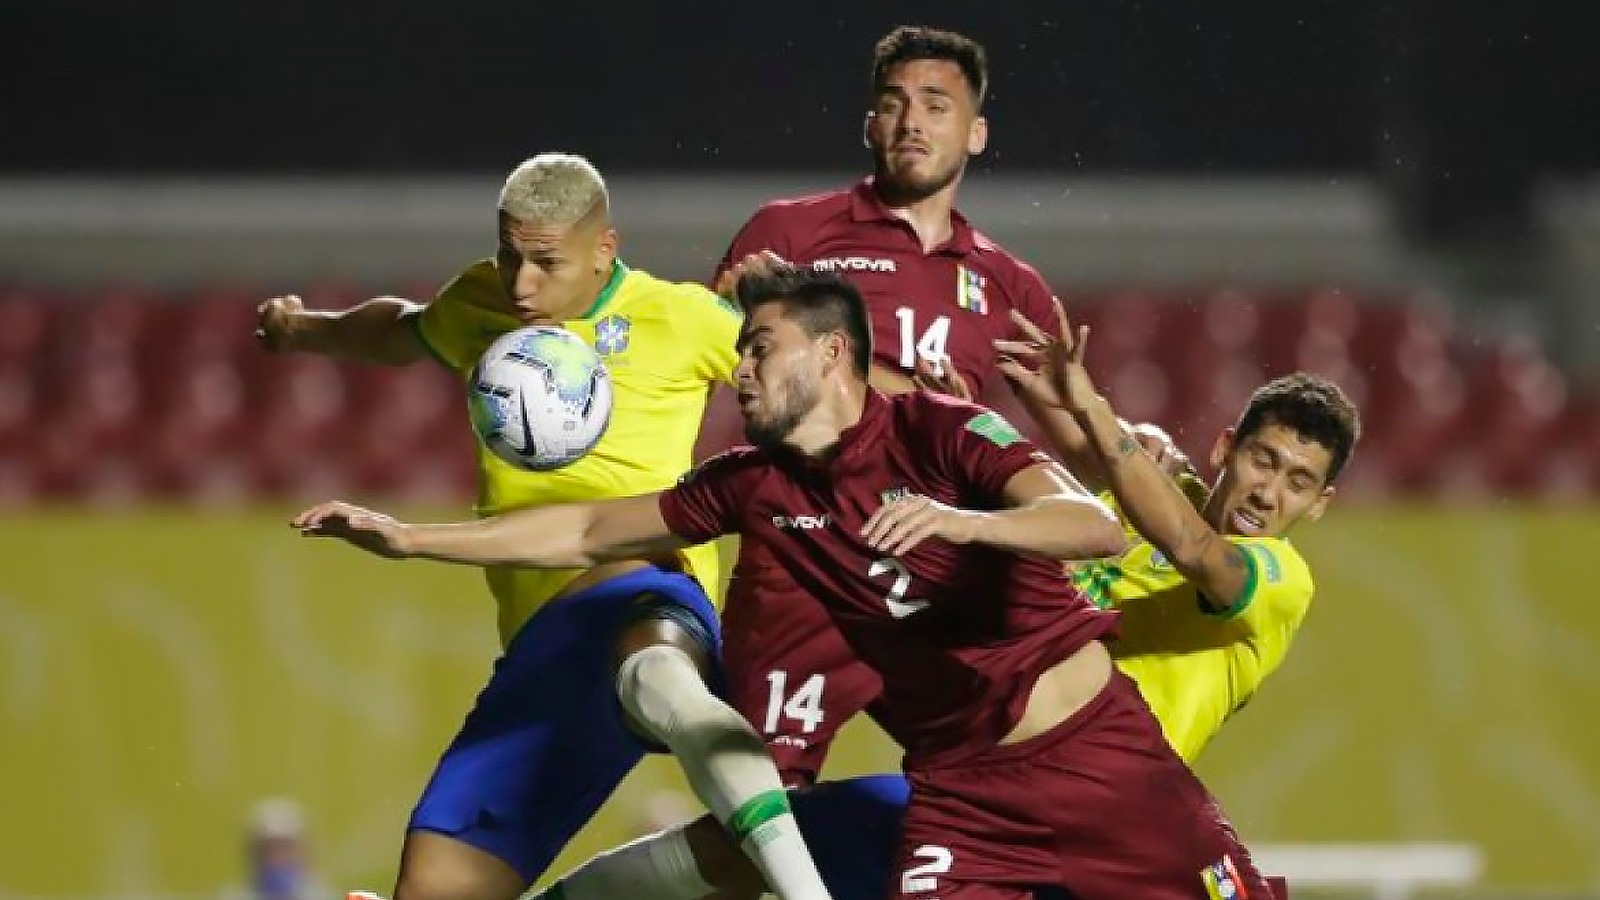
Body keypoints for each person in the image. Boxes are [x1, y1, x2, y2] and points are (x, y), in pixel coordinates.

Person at [292, 265, 1273, 900]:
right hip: (965, 798)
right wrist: (412, 539)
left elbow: (1089, 522)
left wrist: (964, 523)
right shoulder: (753, 487)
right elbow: (590, 526)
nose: (741, 372)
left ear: (832, 354)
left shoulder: (937, 430)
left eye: (759, 349)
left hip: (1100, 761)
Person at [526, 316, 1359, 900]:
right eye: (1261, 460)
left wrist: (1092, 412)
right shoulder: (1148, 491)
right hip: (986, 781)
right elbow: (1072, 472)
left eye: (1296, 483)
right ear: (1227, 449)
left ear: (1318, 506)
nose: (1267, 492)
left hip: (1107, 814)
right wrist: (971, 419)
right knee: (753, 845)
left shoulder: (1276, 577)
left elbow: (1193, 549)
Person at [256, 154, 833, 900]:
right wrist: (303, 330)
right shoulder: (482, 302)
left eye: (545, 262)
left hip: (646, 587)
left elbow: (813, 384)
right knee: (434, 886)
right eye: (509, 256)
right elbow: (404, 331)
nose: (522, 283)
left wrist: (871, 368)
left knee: (656, 674)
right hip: (542, 647)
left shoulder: (681, 316)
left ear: (604, 249)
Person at [710, 25, 1064, 804]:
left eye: (936, 105)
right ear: (869, 123)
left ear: (975, 131)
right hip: (806, 556)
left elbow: (1064, 435)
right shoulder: (787, 236)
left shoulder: (1011, 286)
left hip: (939, 571)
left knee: (1015, 798)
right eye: (894, 104)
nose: (912, 122)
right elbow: (725, 366)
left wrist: (1126, 441)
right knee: (761, 819)